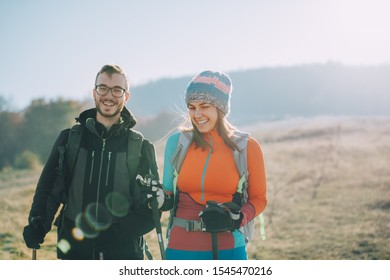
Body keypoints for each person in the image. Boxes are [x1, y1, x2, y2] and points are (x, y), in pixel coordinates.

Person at [23, 64, 170, 260]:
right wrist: (38, 224)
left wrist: (114, 235)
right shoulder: (70, 140)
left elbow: (149, 209)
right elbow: (48, 191)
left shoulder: (140, 147)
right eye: (103, 88)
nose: (109, 95)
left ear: (126, 96)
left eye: (117, 90)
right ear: (94, 92)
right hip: (74, 253)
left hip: (123, 255)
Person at [162, 70, 267, 260]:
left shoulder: (247, 147)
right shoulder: (177, 143)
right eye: (192, 107)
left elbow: (259, 198)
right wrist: (158, 198)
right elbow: (167, 194)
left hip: (228, 248)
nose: (197, 114)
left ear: (220, 108)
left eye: (204, 106)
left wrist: (238, 218)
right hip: (180, 249)